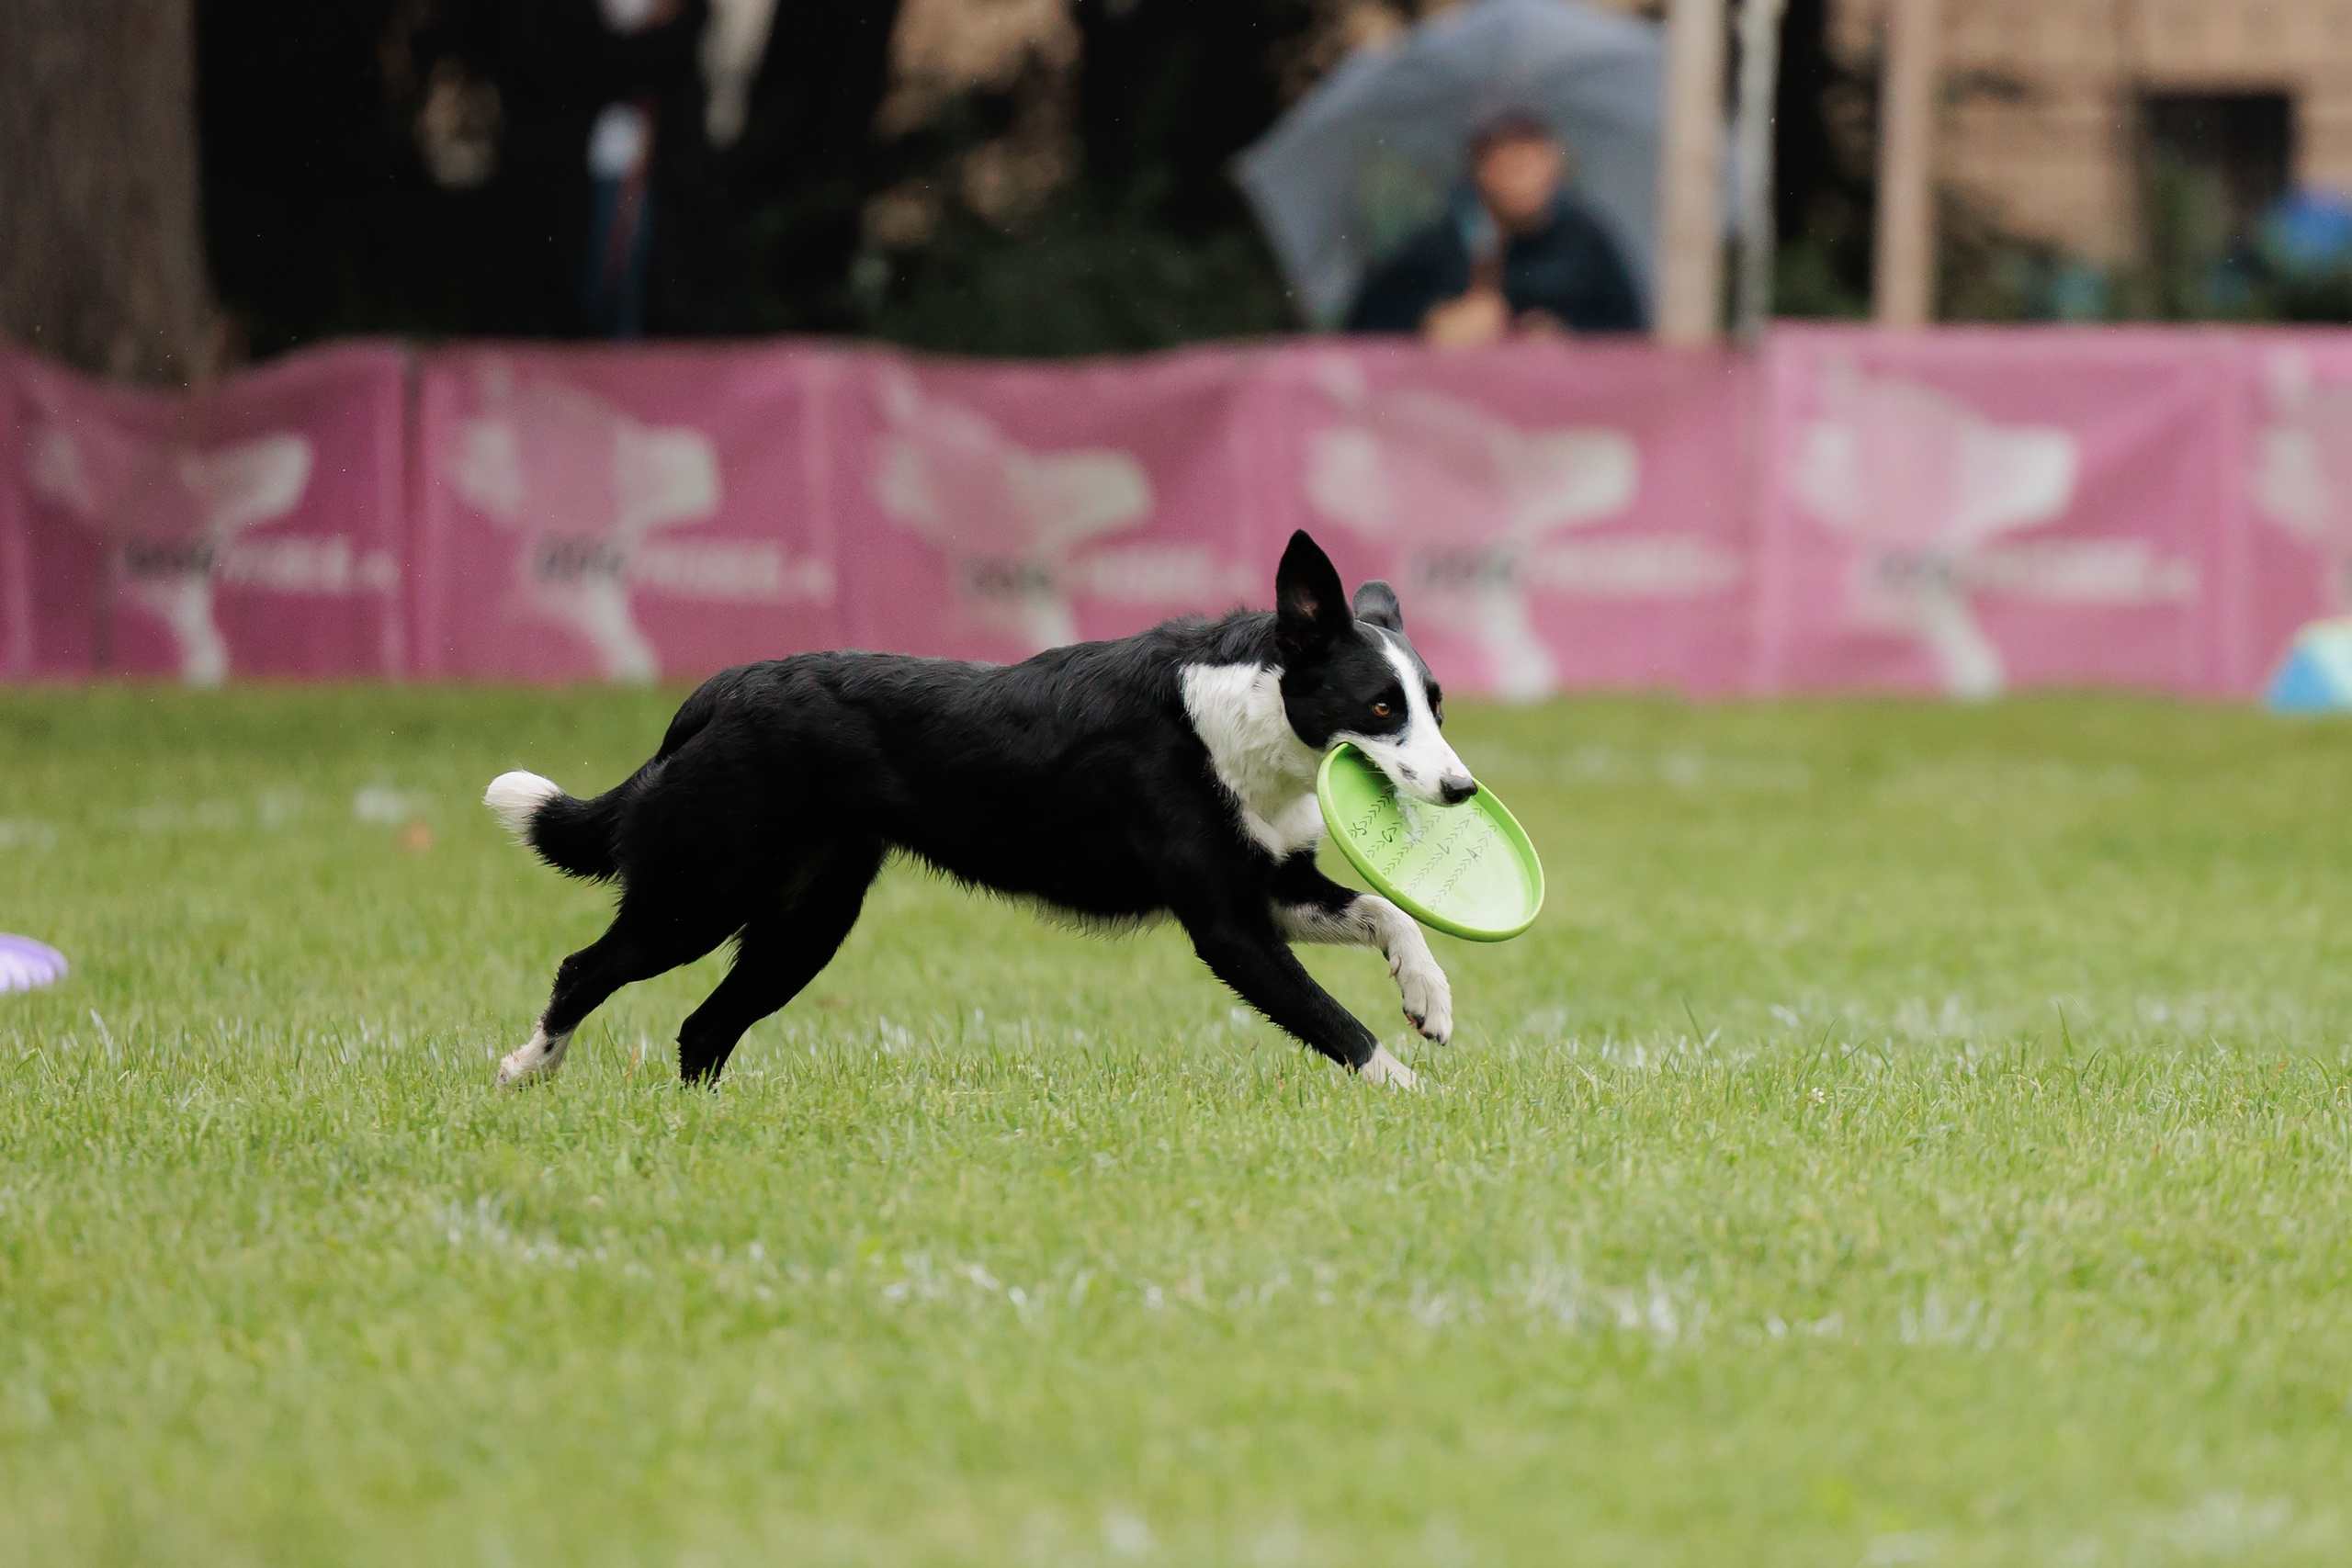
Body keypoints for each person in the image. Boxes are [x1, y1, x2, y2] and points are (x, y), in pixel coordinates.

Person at [1345, 113, 1645, 344]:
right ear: (1479, 167)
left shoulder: (1587, 240)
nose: (1520, 170)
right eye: (1504, 153)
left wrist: (1568, 338)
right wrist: (1431, 323)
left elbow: (1630, 336)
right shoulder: (1439, 244)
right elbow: (1364, 328)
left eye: (1531, 152)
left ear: (1554, 160)